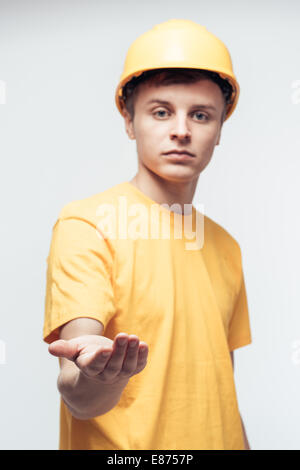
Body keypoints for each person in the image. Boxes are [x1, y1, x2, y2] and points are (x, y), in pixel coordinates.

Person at [43, 19, 252, 450]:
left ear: (219, 130)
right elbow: (79, 393)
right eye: (161, 111)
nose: (181, 130)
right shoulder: (88, 224)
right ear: (129, 120)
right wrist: (97, 376)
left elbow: (222, 391)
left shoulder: (227, 247)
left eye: (200, 114)